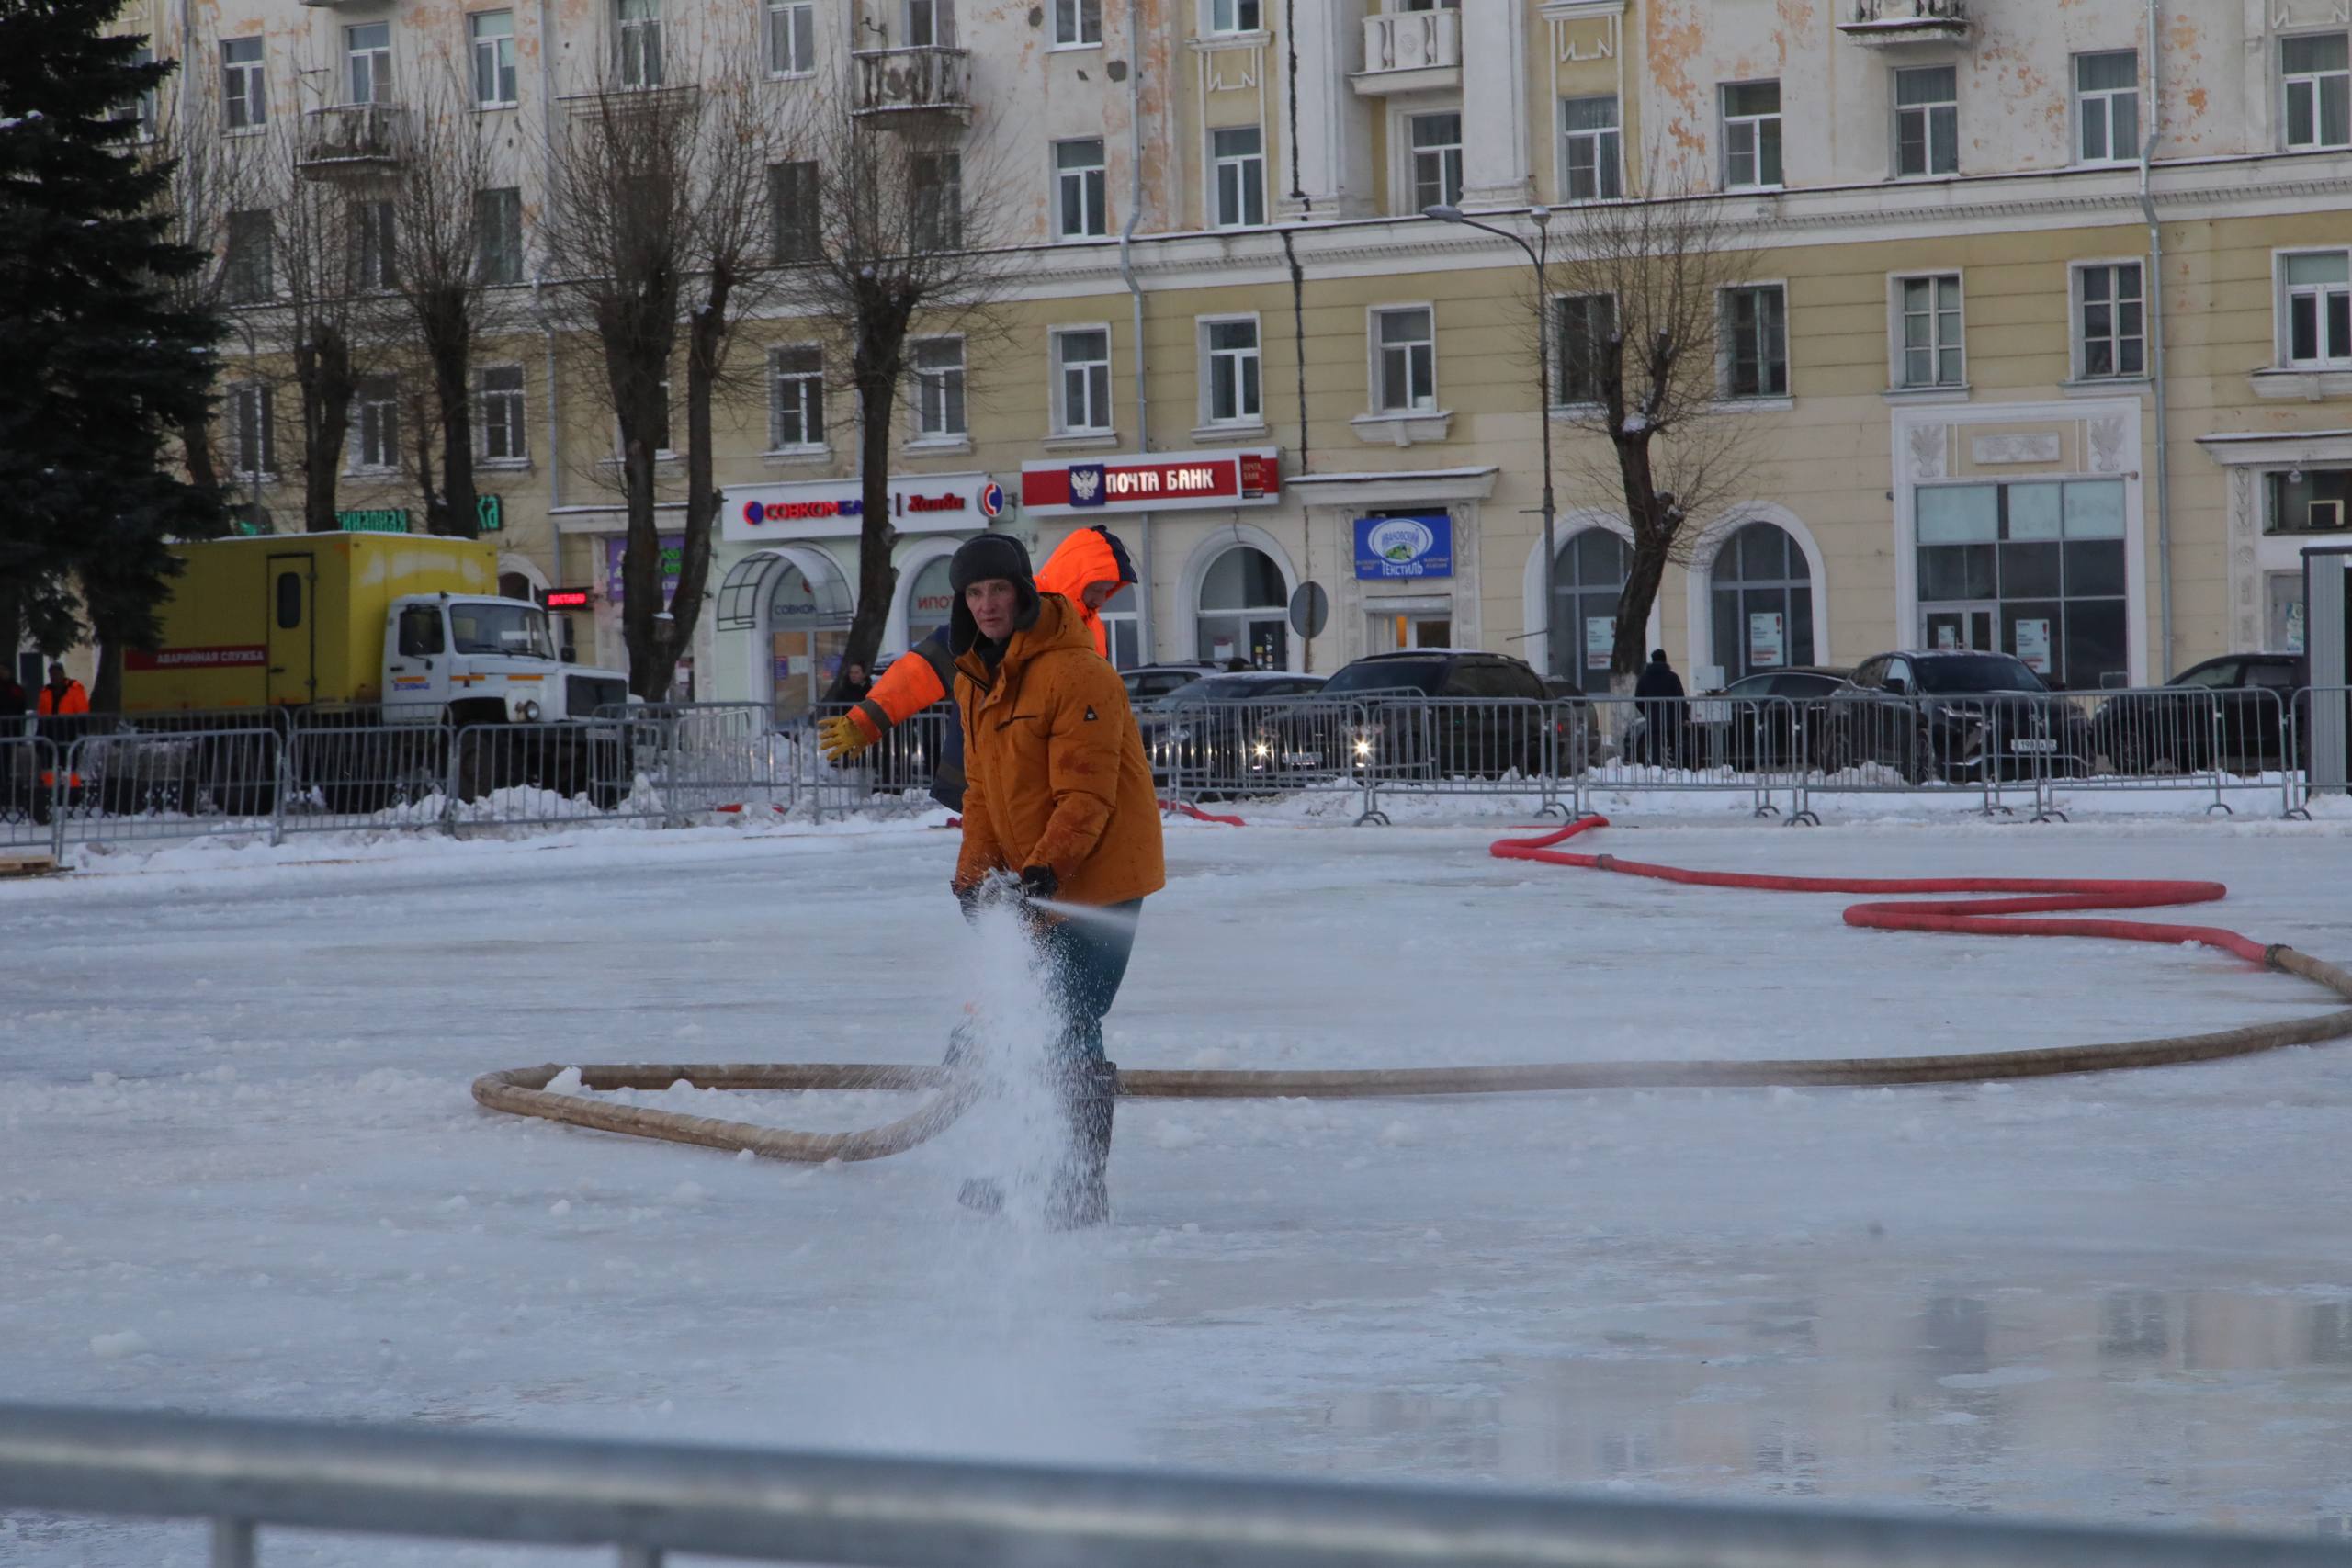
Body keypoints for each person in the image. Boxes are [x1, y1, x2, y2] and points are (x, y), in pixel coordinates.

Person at [946, 532, 1163, 1228]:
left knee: (1066, 1019)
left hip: (1098, 877)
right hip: (1033, 879)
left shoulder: (1079, 674)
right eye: (974, 593)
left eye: (998, 590)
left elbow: (1087, 798)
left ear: (1024, 591)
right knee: (1004, 1024)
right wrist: (973, 875)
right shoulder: (975, 676)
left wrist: (1040, 871)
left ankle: (1075, 1182)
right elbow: (980, 790)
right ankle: (1023, 1165)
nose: (986, 605)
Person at [815, 525, 1136, 811]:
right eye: (1097, 584)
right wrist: (869, 718)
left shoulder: (1089, 629)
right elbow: (922, 670)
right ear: (1075, 574)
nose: (1102, 595)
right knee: (996, 871)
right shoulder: (1009, 615)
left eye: (1109, 587)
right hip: (990, 777)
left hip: (1051, 779)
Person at [1634, 648, 1685, 767]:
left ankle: (1657, 769)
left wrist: (1648, 712)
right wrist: (1683, 716)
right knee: (1675, 744)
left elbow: (1638, 699)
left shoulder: (1644, 678)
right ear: (1665, 660)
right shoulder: (1673, 677)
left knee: (1656, 744)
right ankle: (1677, 768)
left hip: (1654, 719)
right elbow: (1680, 698)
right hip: (1673, 719)